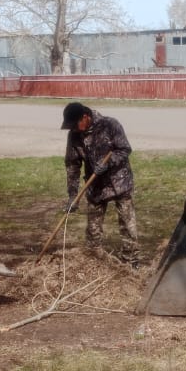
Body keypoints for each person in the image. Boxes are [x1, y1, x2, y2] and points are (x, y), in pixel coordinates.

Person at [60, 101, 139, 266]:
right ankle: (94, 261)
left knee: (127, 224)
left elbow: (124, 149)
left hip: (120, 181)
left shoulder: (109, 124)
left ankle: (131, 261)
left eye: (75, 125)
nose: (73, 129)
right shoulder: (74, 135)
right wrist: (73, 195)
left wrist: (108, 163)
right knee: (93, 228)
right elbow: (72, 165)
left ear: (85, 117)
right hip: (96, 185)